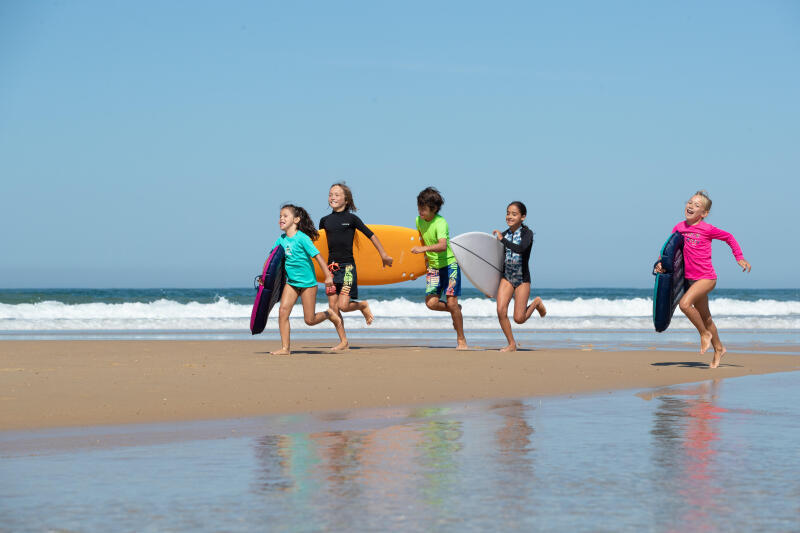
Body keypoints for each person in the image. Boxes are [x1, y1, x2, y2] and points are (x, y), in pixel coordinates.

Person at [655, 191, 751, 368]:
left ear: (704, 213)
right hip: (690, 281)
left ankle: (704, 334)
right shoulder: (679, 228)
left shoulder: (707, 229)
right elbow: (670, 251)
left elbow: (729, 237)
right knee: (706, 318)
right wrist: (660, 263)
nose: (691, 206)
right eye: (690, 202)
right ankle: (719, 348)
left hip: (707, 278)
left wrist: (739, 257)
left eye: (696, 205)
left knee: (685, 305)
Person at [319, 182, 393, 347]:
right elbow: (321, 246)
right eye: (331, 194)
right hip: (331, 269)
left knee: (343, 306)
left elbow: (371, 235)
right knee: (333, 308)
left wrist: (384, 255)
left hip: (347, 268)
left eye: (337, 194)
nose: (333, 197)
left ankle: (362, 305)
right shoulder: (324, 221)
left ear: (346, 200)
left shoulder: (351, 219)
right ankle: (343, 341)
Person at [266, 204, 346, 355]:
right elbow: (271, 259)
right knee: (283, 312)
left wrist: (328, 276)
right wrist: (265, 277)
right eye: (280, 216)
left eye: (285, 216)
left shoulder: (302, 238)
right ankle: (285, 348)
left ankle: (329, 314)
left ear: (296, 219)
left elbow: (318, 257)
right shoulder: (281, 240)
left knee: (309, 320)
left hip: (308, 284)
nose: (281, 219)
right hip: (292, 283)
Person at [411, 187, 468, 350]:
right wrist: (416, 268)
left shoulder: (440, 223)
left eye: (423, 208)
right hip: (434, 267)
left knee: (451, 303)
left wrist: (423, 250)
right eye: (419, 207)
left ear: (434, 209)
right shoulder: (418, 220)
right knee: (431, 303)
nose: (420, 211)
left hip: (450, 265)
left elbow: (443, 246)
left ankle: (461, 340)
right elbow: (422, 241)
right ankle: (455, 309)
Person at [492, 201, 546, 352]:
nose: (509, 216)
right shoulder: (505, 234)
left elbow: (521, 249)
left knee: (519, 319)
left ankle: (536, 303)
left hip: (522, 279)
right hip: (507, 277)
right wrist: (487, 285)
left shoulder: (526, 234)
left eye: (514, 214)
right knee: (501, 310)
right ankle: (511, 344)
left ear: (523, 217)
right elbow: (496, 260)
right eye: (508, 213)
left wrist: (502, 240)